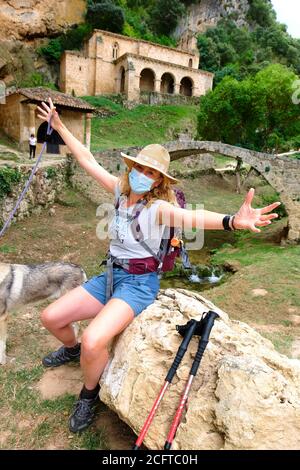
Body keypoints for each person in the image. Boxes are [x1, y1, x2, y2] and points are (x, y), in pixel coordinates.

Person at [36, 98, 280, 433]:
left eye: (150, 172)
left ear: (157, 181)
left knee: (95, 340)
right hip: (110, 274)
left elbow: (191, 216)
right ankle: (70, 349)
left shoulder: (159, 209)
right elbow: (87, 159)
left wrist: (232, 221)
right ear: (131, 169)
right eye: (139, 168)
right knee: (50, 317)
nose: (142, 175)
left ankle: (88, 395)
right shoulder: (120, 192)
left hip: (138, 284)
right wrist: (60, 127)